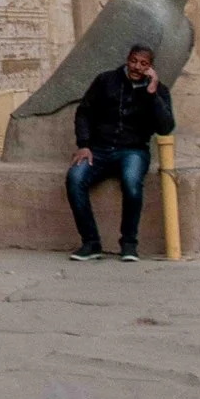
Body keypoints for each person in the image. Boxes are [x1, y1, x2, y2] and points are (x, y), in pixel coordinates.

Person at [65, 43, 174, 261]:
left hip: (133, 151)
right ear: (127, 59)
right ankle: (91, 242)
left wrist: (152, 94)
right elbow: (84, 112)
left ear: (151, 68)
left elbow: (166, 128)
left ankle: (129, 244)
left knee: (132, 183)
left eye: (143, 64)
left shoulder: (159, 91)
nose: (136, 67)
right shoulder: (106, 81)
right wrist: (84, 144)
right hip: (99, 149)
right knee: (75, 178)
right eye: (133, 61)